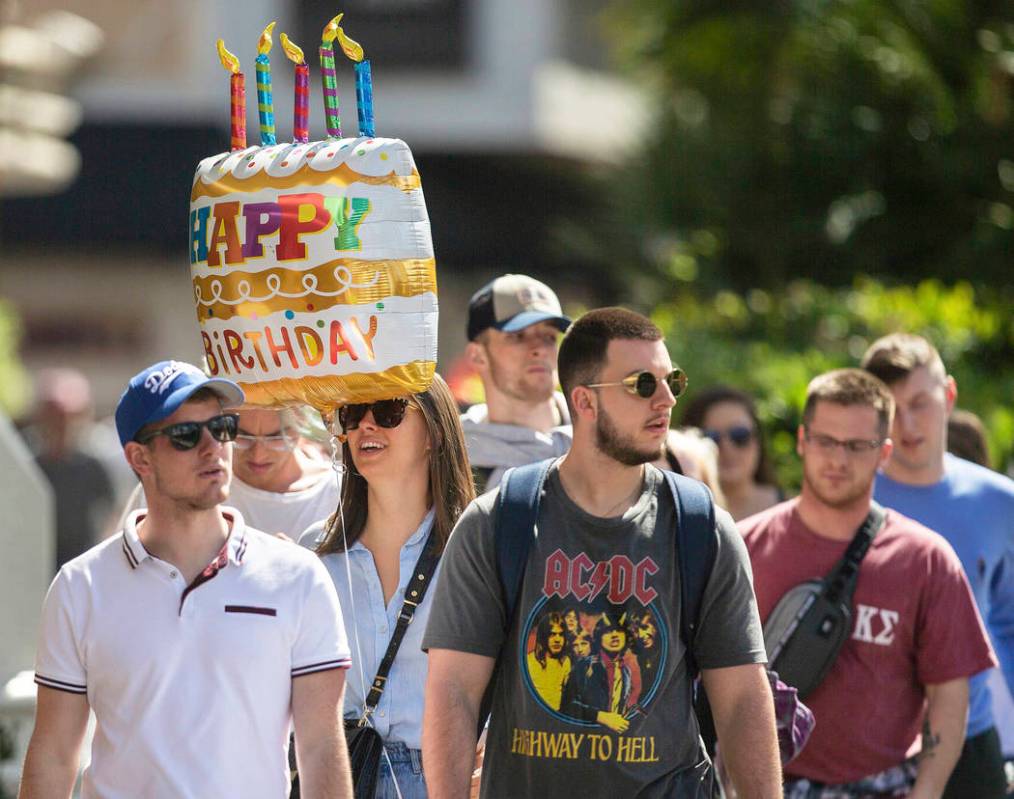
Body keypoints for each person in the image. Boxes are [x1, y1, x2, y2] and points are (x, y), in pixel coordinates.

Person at [422, 307, 780, 798]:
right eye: (642, 384)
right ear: (585, 402)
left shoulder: (702, 528)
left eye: (671, 379)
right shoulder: (496, 522)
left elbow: (741, 698)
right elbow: (454, 694)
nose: (668, 399)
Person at [19, 360, 353, 799]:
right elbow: (55, 754)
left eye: (222, 427)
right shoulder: (79, 587)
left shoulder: (298, 577)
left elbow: (320, 748)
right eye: (186, 436)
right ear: (139, 458)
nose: (214, 446)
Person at [740, 368, 996, 798]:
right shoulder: (743, 545)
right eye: (826, 441)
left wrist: (927, 793)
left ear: (884, 452)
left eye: (857, 446)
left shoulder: (925, 558)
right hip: (768, 787)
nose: (838, 460)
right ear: (802, 441)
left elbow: (950, 696)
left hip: (886, 785)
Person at [300, 374, 476, 799]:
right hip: (338, 774)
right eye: (353, 413)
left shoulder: (476, 548)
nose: (366, 426)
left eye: (389, 411)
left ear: (434, 433)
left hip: (442, 778)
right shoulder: (314, 555)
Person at [861, 334, 1014, 799]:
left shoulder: (999, 503)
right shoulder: (847, 499)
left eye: (920, 403)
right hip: (869, 740)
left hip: (972, 737)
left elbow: (1008, 622)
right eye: (891, 409)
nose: (907, 424)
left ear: (948, 396)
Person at [121, 406, 339, 540]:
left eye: (276, 438)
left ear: (301, 422)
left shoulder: (339, 490)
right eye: (242, 437)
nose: (259, 454)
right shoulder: (176, 486)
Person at [460, 273, 573, 492]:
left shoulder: (602, 438)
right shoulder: (453, 463)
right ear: (477, 356)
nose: (539, 348)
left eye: (549, 337)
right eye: (517, 336)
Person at [26, 368, 116, 570]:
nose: (62, 426)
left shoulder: (93, 467)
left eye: (68, 418)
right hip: (37, 566)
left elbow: (112, 514)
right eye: (55, 418)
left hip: (81, 568)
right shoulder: (29, 467)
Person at [680, 385, 781, 520]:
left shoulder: (796, 511)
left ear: (758, 440)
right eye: (711, 438)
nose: (727, 448)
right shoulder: (674, 514)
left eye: (740, 435)